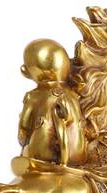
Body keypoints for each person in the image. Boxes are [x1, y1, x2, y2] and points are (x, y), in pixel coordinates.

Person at [18, 39, 87, 167]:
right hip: (77, 156)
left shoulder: (33, 96)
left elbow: (23, 129)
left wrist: (24, 144)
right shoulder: (73, 94)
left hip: (41, 156)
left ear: (27, 71)